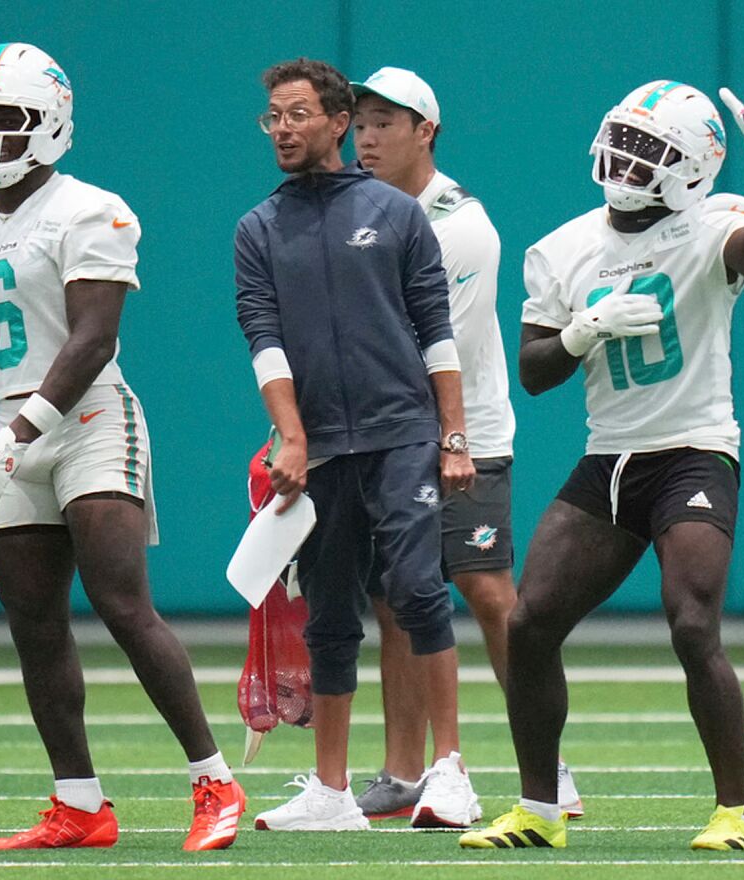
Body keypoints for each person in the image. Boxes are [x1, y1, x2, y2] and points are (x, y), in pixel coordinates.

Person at [0, 42, 244, 852]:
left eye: (3, 120)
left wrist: (19, 434)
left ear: (50, 122)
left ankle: (213, 780)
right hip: (8, 437)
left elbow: (92, 339)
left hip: (88, 420)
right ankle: (80, 802)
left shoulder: (92, 209)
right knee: (35, 625)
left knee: (123, 604)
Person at [459, 56, 744, 852]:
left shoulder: (714, 223)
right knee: (529, 623)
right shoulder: (561, 249)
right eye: (622, 139)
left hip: (692, 449)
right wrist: (581, 331)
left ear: (687, 172)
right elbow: (535, 373)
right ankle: (541, 812)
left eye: (649, 150)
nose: (624, 160)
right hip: (610, 457)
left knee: (691, 623)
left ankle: (732, 814)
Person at [235, 57, 478, 832]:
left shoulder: (398, 214)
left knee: (415, 587)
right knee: (330, 615)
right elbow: (264, 341)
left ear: (338, 123)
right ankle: (331, 792)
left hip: (403, 432)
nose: (283, 128)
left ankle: (450, 773)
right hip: (318, 452)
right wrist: (292, 436)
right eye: (273, 116)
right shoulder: (257, 229)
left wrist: (454, 437)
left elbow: (437, 334)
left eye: (298, 114)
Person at [348, 67, 582, 824]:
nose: (369, 136)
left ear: (428, 132)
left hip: (463, 433)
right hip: (382, 433)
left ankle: (550, 767)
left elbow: (424, 344)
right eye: (361, 122)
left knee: (487, 593)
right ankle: (402, 773)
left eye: (387, 121)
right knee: (392, 602)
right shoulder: (358, 210)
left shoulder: (460, 223)